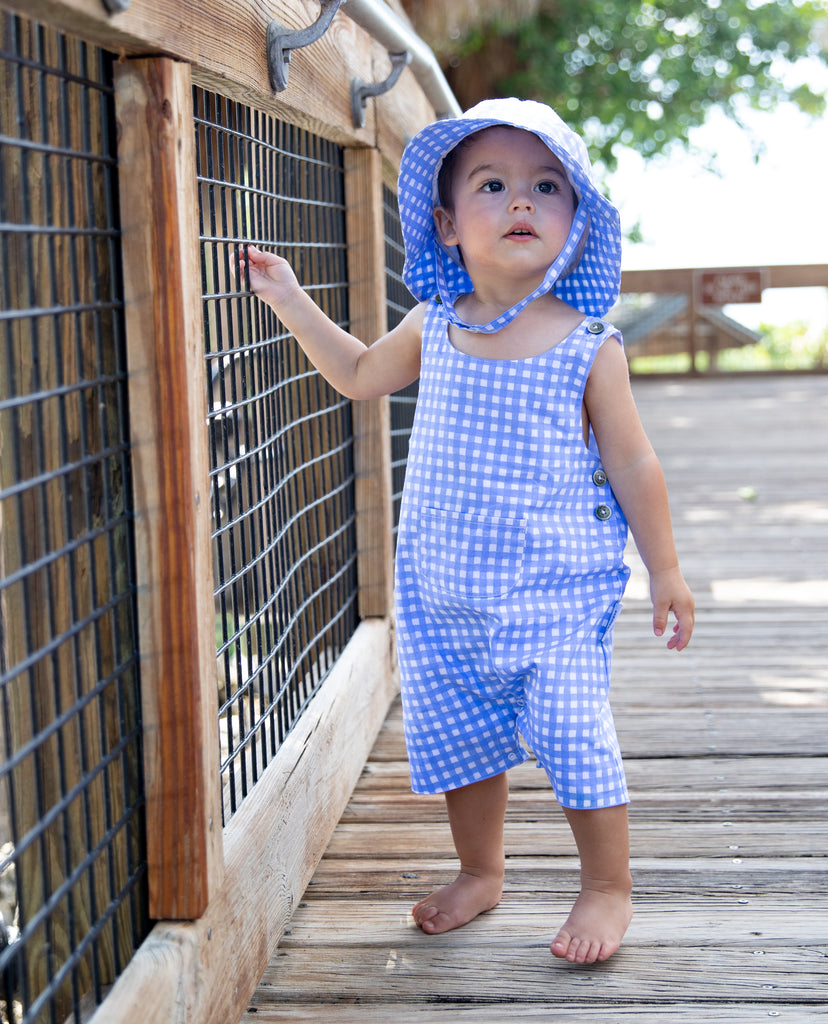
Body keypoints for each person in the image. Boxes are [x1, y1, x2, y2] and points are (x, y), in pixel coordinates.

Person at [241, 98, 694, 965]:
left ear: (578, 221)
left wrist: (666, 570)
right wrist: (290, 298)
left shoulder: (587, 343)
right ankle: (481, 871)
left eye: (546, 187)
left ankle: (608, 886)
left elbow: (636, 466)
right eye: (494, 185)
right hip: (445, 592)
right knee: (460, 740)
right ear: (447, 225)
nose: (522, 202)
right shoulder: (433, 327)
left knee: (573, 728)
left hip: (551, 591)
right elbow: (358, 375)